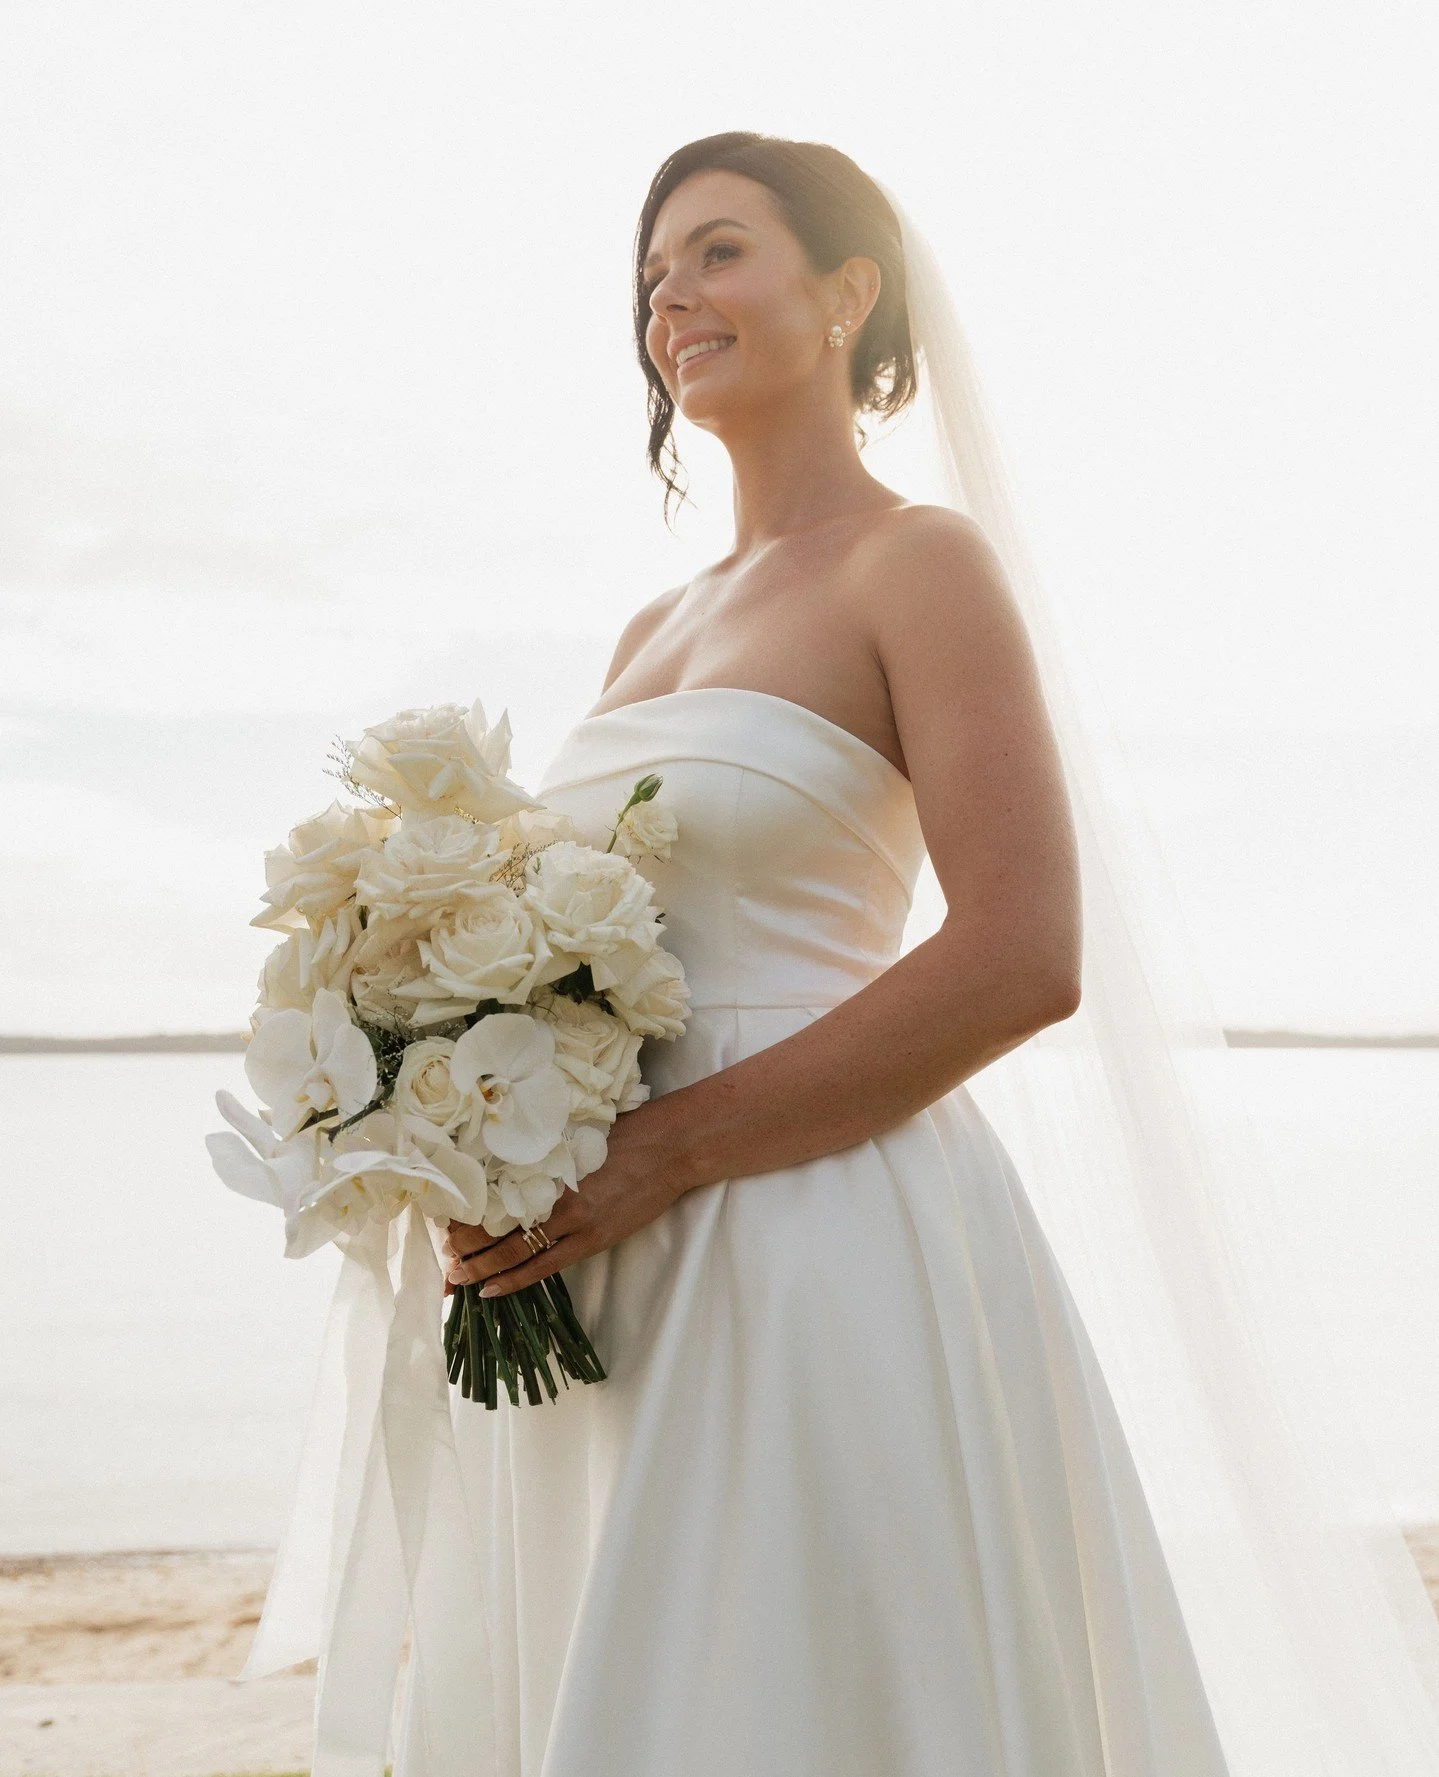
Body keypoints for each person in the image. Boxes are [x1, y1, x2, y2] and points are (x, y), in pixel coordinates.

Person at [432, 131, 1231, 1777]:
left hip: (818, 1230)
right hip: (613, 1253)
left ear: (845, 290)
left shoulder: (915, 566)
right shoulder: (645, 631)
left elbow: (1021, 954)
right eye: (653, 276)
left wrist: (665, 1153)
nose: (672, 300)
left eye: (717, 253)